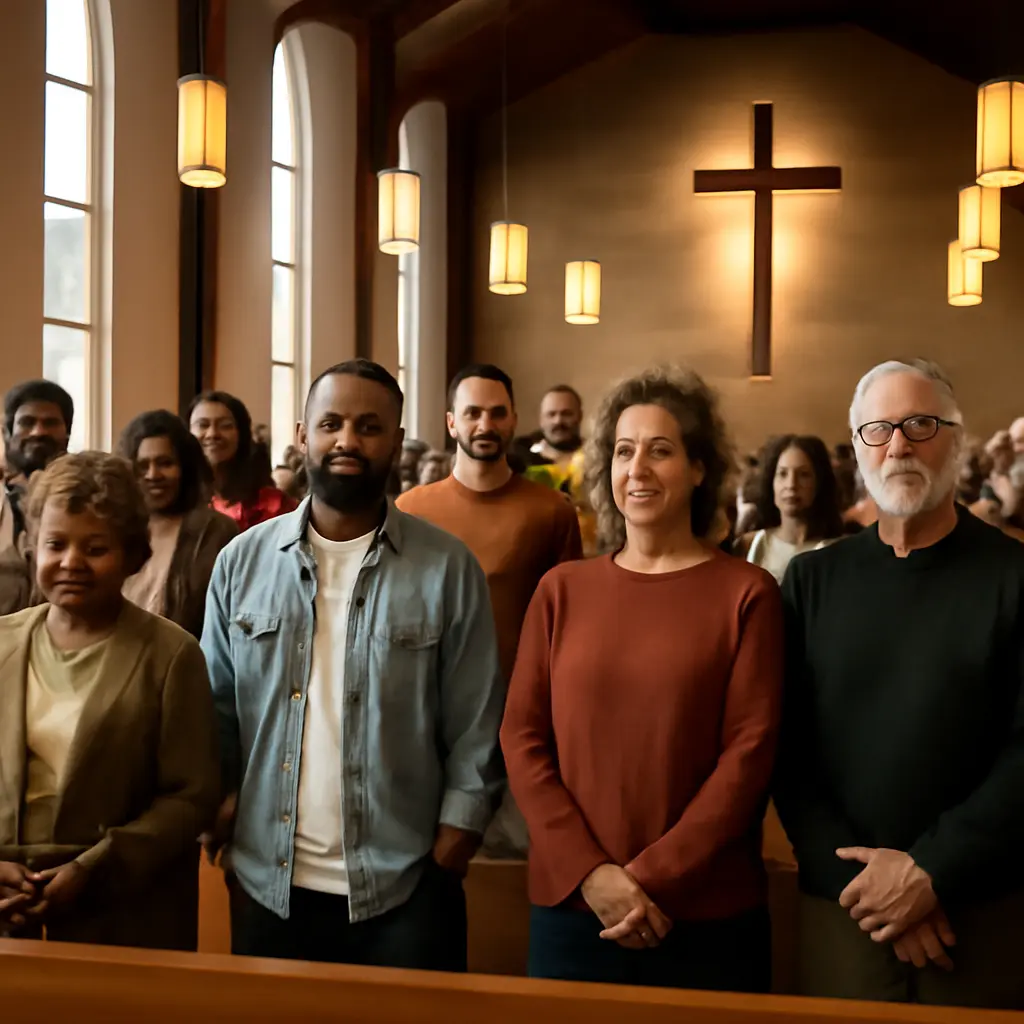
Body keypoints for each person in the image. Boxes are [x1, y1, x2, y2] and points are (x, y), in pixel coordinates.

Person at [201, 358, 505, 971]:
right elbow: (215, 707)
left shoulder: (446, 568)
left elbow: (477, 718)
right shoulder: (242, 563)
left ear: (395, 440)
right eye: (331, 423)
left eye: (369, 427)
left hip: (407, 883)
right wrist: (218, 805)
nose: (347, 440)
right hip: (268, 881)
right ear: (301, 434)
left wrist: (454, 839)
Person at [501, 366, 783, 991]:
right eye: (624, 452)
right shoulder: (562, 590)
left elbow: (750, 755)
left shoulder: (746, 594)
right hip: (575, 908)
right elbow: (522, 739)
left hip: (705, 912)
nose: (639, 469)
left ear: (700, 469)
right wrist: (591, 873)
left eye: (661, 450)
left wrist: (646, 879)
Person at [774, 359, 1024, 1009]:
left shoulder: (1013, 576)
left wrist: (930, 873)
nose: (899, 445)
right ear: (858, 451)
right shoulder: (813, 582)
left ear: (957, 438)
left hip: (977, 910)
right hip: (844, 908)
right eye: (878, 429)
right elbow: (786, 750)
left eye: (920, 423)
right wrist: (864, 888)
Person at [0, 452, 219, 948]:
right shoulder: (2, 643)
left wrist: (93, 867)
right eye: (56, 545)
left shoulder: (171, 654)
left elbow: (192, 796)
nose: (71, 562)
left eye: (95, 548)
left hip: (123, 909)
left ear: (132, 555)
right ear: (33, 548)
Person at [398, 364, 582, 858]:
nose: (485, 424)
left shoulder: (552, 512)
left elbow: (569, 630)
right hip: (429, 723)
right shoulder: (411, 511)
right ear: (451, 423)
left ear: (515, 419)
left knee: (521, 865)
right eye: (473, 413)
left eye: (497, 413)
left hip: (523, 723)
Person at [117, 410, 237, 639]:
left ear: (185, 468)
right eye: (143, 466)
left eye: (165, 463)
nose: (154, 475)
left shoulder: (215, 531)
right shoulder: (115, 527)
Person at [0, 380, 73, 616]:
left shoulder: (90, 498)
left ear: (67, 434)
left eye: (50, 423)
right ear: (7, 433)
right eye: (27, 422)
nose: (39, 431)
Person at [734, 435, 844, 582]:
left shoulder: (837, 551)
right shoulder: (750, 545)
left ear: (819, 483)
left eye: (803, 475)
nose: (791, 485)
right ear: (771, 482)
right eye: (782, 474)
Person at [188, 391, 296, 532]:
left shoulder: (275, 506)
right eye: (203, 425)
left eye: (225, 425)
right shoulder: (180, 502)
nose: (213, 434)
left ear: (242, 434)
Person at [530, 385, 584, 469]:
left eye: (566, 414)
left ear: (580, 416)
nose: (558, 421)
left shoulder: (597, 457)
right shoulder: (522, 459)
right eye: (551, 414)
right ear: (541, 419)